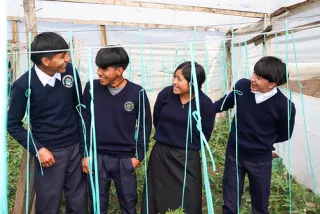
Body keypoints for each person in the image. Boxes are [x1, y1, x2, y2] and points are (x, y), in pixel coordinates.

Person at [7, 32, 87, 214]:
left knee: (79, 202)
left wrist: (85, 150)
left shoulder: (70, 72)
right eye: (62, 56)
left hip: (75, 149)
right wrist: (39, 149)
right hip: (49, 154)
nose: (67, 59)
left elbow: (79, 109)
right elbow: (12, 124)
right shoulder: (23, 85)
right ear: (45, 61)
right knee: (49, 204)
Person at [212, 56, 296, 214]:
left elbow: (285, 134)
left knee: (260, 206)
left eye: (258, 77)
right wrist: (205, 110)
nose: (252, 79)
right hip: (234, 155)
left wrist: (261, 141)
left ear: (272, 84)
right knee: (230, 204)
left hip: (260, 161)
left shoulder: (284, 106)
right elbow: (225, 102)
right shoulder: (242, 86)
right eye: (254, 73)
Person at [81, 47, 152, 214]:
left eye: (104, 68)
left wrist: (138, 156)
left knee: (128, 204)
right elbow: (84, 121)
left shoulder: (137, 93)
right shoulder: (91, 88)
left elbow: (144, 125)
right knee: (97, 206)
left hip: (125, 159)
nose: (99, 72)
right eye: (98, 67)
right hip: (97, 157)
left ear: (119, 70)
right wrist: (85, 153)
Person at [141, 61, 216, 214]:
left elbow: (205, 134)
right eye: (174, 77)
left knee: (188, 197)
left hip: (187, 158)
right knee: (158, 195)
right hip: (161, 155)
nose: (174, 82)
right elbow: (157, 119)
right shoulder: (166, 94)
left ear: (193, 82)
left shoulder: (205, 104)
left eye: (179, 79)